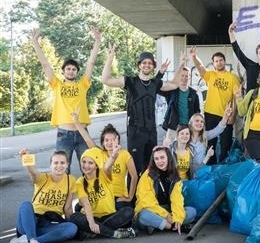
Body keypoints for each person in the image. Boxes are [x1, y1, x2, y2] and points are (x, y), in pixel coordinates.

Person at [101, 44, 182, 175]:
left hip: (151, 131)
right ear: (139, 65)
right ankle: (133, 195)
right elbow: (105, 79)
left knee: (151, 168)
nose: (147, 65)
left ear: (153, 66)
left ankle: (148, 193)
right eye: (144, 62)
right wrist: (110, 58)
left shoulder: (155, 84)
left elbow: (174, 84)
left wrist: (181, 65)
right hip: (135, 132)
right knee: (135, 169)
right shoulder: (130, 81)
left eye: (150, 63)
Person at [30, 27, 101, 173]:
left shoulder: (83, 84)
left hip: (83, 133)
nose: (71, 71)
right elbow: (45, 65)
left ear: (77, 72)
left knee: (89, 170)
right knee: (62, 171)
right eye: (68, 69)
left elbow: (91, 64)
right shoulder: (57, 85)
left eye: (74, 69)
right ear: (63, 71)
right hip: (64, 134)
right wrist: (35, 43)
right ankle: (65, 195)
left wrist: (97, 41)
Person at [8, 149, 78, 243]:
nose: (59, 166)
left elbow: (68, 208)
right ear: (50, 165)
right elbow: (32, 172)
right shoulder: (43, 178)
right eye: (55, 163)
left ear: (67, 164)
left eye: (62, 163)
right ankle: (33, 240)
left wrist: (70, 225)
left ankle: (29, 241)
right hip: (29, 223)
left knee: (71, 228)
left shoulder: (71, 180)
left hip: (48, 225)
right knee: (25, 205)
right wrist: (26, 159)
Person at [71, 112, 138, 209]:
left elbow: (134, 176)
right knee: (78, 207)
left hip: (117, 195)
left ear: (118, 141)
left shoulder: (124, 154)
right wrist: (76, 121)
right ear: (103, 142)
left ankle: (100, 222)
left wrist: (130, 196)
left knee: (127, 211)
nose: (110, 143)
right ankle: (102, 221)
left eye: (113, 140)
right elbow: (87, 139)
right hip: (101, 194)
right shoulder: (99, 153)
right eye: (106, 140)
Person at [69, 147, 136, 239]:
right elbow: (86, 204)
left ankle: (94, 232)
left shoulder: (103, 174)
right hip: (91, 217)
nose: (86, 166)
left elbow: (107, 166)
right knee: (74, 217)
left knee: (129, 211)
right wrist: (92, 223)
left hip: (109, 216)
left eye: (90, 163)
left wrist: (113, 157)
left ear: (96, 165)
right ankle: (114, 233)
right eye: (84, 162)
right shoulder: (80, 182)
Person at [190, 46, 240, 164]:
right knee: (210, 143)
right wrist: (194, 57)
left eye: (221, 60)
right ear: (213, 63)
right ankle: (210, 168)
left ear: (224, 61)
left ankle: (223, 168)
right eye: (216, 61)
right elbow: (200, 67)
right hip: (210, 113)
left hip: (226, 115)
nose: (219, 62)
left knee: (225, 144)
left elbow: (236, 98)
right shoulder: (211, 75)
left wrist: (233, 116)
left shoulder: (232, 78)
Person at [134, 146, 196, 235]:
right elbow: (148, 203)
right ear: (153, 161)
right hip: (151, 210)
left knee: (192, 211)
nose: (160, 161)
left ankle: (160, 225)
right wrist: (166, 216)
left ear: (168, 158)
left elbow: (177, 199)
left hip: (167, 209)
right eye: (156, 159)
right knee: (143, 216)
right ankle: (172, 227)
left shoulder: (174, 175)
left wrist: (177, 217)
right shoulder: (147, 175)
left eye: (162, 157)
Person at [160, 55, 200, 146]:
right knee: (169, 150)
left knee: (188, 151)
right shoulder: (171, 91)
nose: (184, 78)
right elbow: (157, 86)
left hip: (189, 128)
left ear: (190, 77)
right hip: (173, 127)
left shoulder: (194, 93)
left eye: (187, 76)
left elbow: (197, 112)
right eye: (182, 75)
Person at [228, 22, 260, 92]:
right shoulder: (250, 66)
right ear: (257, 55)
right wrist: (230, 33)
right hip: (251, 102)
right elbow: (238, 51)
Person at [187, 108, 232, 177]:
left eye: (202, 122)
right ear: (191, 123)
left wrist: (225, 116)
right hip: (188, 173)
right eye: (197, 121)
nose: (200, 123)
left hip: (201, 171)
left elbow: (218, 130)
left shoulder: (205, 135)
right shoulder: (185, 137)